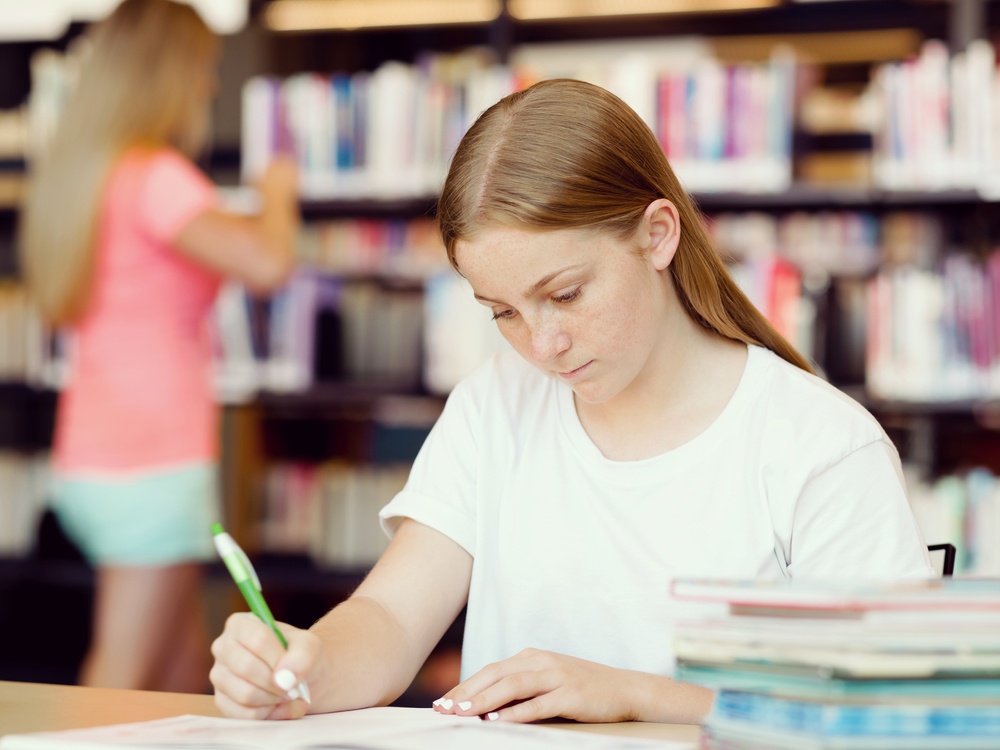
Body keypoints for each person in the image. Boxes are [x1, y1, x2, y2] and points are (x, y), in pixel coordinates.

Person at [208, 78, 933, 723]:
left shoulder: (821, 446)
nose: (541, 344)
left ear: (657, 235)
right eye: (503, 312)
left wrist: (633, 695)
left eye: (564, 294)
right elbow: (391, 618)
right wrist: (304, 666)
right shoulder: (495, 407)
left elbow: (875, 710)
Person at [19, 0, 299, 693]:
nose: (207, 86)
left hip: (97, 457)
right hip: (153, 461)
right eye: (202, 68)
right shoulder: (155, 175)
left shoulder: (94, 176)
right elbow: (267, 264)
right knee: (122, 677)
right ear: (165, 74)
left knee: (176, 678)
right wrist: (280, 191)